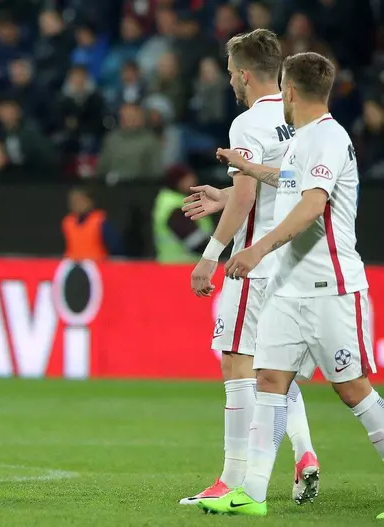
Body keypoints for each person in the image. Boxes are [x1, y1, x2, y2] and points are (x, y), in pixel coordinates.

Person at [200, 52, 379, 518]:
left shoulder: (329, 136)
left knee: (354, 390)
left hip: (331, 286)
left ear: (292, 90)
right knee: (269, 381)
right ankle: (251, 493)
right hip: (286, 288)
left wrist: (258, 249)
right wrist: (246, 172)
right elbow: (289, 180)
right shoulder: (303, 139)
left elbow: (312, 204)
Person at [180, 29, 319, 506]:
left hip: (253, 264)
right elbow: (286, 185)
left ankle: (232, 479)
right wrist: (227, 195)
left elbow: (245, 198)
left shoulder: (248, 123)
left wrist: (208, 258)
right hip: (295, 262)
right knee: (275, 370)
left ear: (241, 74)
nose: (231, 83)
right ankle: (304, 454)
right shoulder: (301, 117)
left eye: (230, 75)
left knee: (237, 364)